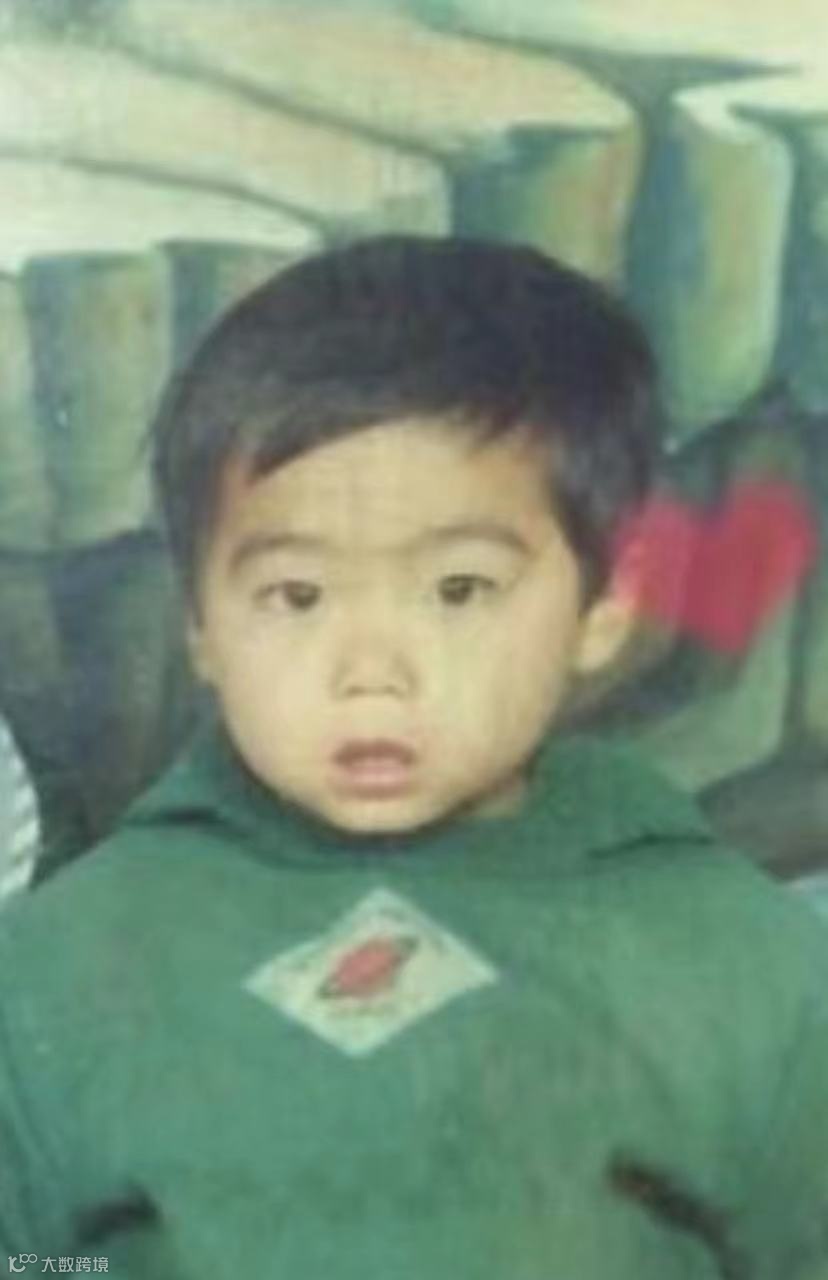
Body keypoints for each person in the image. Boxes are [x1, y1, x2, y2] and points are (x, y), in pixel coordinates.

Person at [0, 236, 826, 1280]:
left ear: (606, 600)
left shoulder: (742, 958)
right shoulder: (54, 970)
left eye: (459, 589)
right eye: (297, 595)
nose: (373, 671)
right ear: (200, 621)